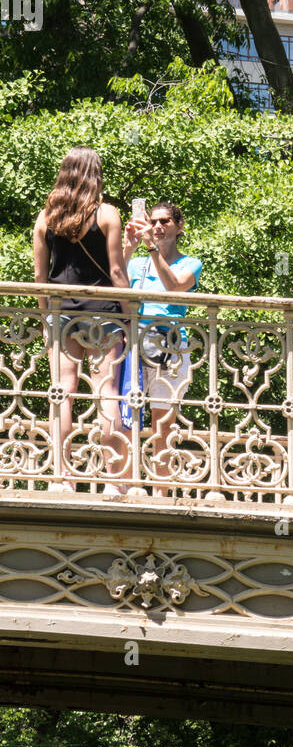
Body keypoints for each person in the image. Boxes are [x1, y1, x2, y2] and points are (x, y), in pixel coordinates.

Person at [33, 147, 131, 493]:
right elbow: (117, 271)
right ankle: (113, 480)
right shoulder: (106, 214)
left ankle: (61, 477)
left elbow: (40, 279)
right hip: (103, 314)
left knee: (61, 393)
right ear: (95, 174)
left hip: (62, 314)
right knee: (108, 392)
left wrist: (47, 315)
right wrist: (130, 315)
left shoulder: (46, 218)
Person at [123, 202, 202, 491]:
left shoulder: (190, 262)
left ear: (179, 226)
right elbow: (111, 286)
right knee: (125, 414)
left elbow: (176, 287)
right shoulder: (135, 263)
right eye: (153, 221)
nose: (157, 226)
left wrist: (152, 251)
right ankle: (127, 484)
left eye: (165, 221)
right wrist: (129, 249)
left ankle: (161, 488)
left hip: (169, 346)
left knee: (162, 421)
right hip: (132, 342)